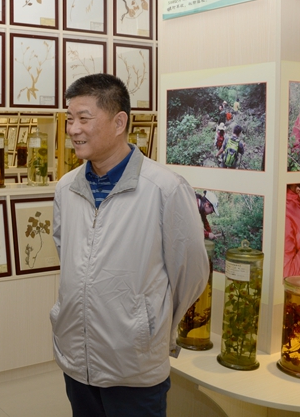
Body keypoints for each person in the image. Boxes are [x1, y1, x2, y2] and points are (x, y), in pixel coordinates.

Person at [51, 74, 209, 417]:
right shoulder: (66, 187)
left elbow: (191, 273)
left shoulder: (165, 189)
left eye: (84, 118)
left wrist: (149, 326)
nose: (73, 129)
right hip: (77, 360)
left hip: (134, 367)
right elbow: (69, 258)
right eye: (69, 119)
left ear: (119, 121)